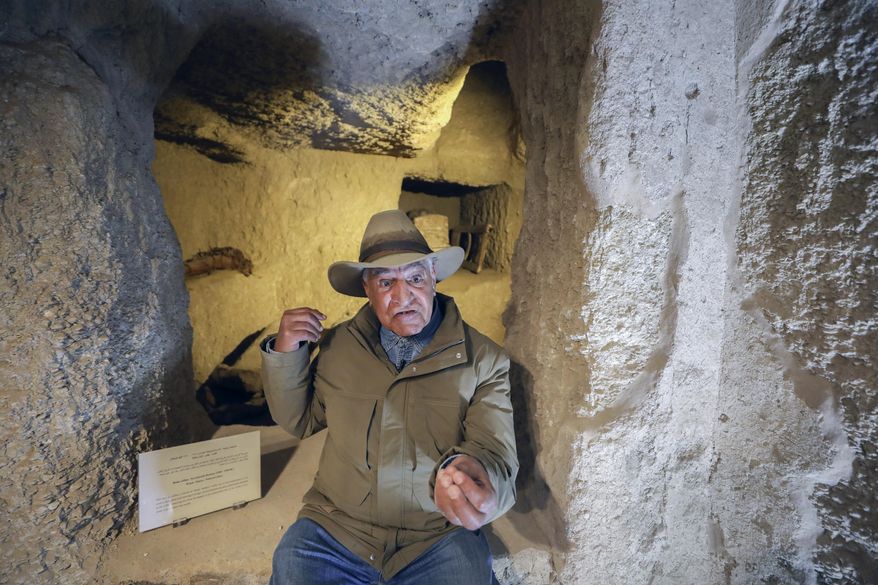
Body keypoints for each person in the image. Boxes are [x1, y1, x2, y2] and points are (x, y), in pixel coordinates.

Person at [261, 210, 518, 584]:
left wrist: (477, 475)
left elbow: (494, 451)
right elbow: (300, 420)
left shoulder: (484, 360)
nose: (402, 297)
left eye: (414, 278)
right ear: (367, 289)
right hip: (337, 529)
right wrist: (286, 353)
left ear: (434, 278)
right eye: (385, 283)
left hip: (436, 535)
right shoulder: (338, 347)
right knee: (292, 565)